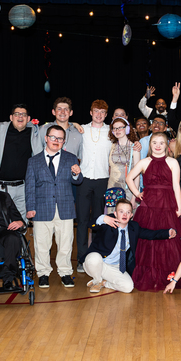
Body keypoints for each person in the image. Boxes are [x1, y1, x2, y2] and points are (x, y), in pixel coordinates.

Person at [125, 132, 181, 292]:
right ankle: (151, 276)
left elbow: (176, 186)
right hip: (149, 206)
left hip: (167, 205)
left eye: (161, 142)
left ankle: (169, 276)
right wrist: (137, 193)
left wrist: (179, 206)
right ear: (150, 144)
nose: (158, 145)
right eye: (155, 142)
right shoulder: (144, 162)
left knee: (168, 239)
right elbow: (129, 178)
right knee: (148, 240)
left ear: (167, 145)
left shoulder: (173, 162)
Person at [26, 125, 83, 288]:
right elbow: (29, 187)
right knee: (42, 244)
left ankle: (65, 273)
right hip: (41, 208)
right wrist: (30, 207)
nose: (56, 141)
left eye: (60, 138)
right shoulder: (33, 161)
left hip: (65, 208)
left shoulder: (71, 158)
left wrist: (76, 173)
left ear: (64, 141)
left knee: (65, 244)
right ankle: (43, 273)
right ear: (46, 138)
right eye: (53, 137)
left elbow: (77, 181)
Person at [85, 199, 178, 294]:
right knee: (94, 258)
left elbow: (150, 234)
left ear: (131, 215)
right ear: (115, 214)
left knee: (128, 287)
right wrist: (103, 218)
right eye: (121, 212)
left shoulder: (134, 227)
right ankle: (97, 280)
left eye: (128, 212)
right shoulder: (107, 223)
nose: (124, 215)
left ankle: (104, 283)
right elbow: (90, 225)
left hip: (115, 267)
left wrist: (167, 232)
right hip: (98, 263)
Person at [0, 104, 43, 216]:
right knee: (0, 221)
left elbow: (56, 127)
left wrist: (72, 124)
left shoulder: (35, 132)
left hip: (23, 188)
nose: (20, 117)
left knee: (21, 223)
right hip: (1, 187)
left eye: (23, 114)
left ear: (28, 119)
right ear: (11, 117)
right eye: (17, 114)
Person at [77, 100, 112, 272]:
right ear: (90, 112)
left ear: (106, 115)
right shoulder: (81, 130)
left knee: (100, 220)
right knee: (82, 221)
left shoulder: (111, 131)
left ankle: (98, 257)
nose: (99, 114)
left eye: (102, 112)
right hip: (83, 180)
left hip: (103, 180)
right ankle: (81, 259)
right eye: (96, 111)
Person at [105, 117, 140, 213]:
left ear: (127, 129)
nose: (117, 130)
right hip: (112, 189)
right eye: (115, 128)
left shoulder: (135, 148)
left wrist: (134, 197)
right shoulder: (111, 146)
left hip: (128, 190)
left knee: (126, 218)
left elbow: (137, 176)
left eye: (120, 127)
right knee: (112, 218)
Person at [39, 97, 84, 162]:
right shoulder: (44, 130)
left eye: (66, 109)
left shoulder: (78, 133)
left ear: (71, 113)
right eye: (59, 109)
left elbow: (80, 158)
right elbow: (36, 154)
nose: (62, 112)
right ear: (53, 112)